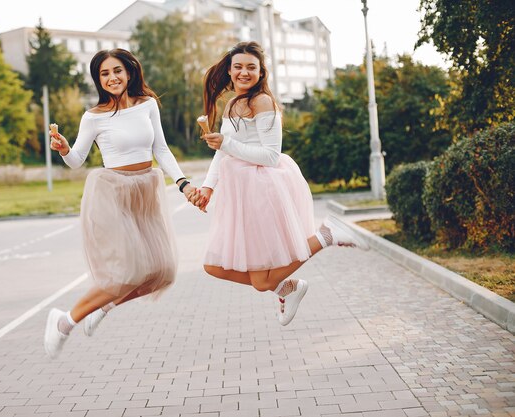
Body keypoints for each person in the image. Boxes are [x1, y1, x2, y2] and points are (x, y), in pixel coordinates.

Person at [191, 41, 369, 326]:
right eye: (238, 66)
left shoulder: (263, 102)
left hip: (262, 190)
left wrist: (227, 142)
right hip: (240, 195)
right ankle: (287, 288)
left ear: (261, 72)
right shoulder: (231, 107)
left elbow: (271, 156)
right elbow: (222, 155)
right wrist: (209, 188)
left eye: (251, 67)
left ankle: (327, 235)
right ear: (229, 70)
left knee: (256, 278)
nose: (244, 72)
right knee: (218, 268)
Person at [44, 49, 197, 358]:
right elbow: (76, 161)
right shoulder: (93, 116)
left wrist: (182, 183)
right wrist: (63, 149)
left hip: (145, 192)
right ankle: (65, 321)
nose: (112, 77)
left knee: (162, 272)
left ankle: (105, 305)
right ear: (98, 80)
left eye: (117, 71)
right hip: (111, 194)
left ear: (129, 73)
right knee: (123, 273)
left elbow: (162, 150)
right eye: (104, 73)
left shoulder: (148, 105)